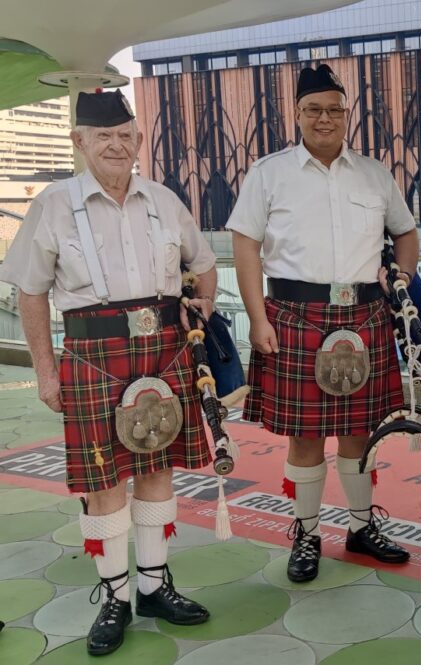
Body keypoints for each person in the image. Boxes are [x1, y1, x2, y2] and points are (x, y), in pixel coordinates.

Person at [0, 90, 215, 655]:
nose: (117, 145)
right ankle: (116, 596)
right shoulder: (53, 204)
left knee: (157, 468)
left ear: (139, 140)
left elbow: (205, 264)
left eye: (126, 135)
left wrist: (201, 313)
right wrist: (47, 371)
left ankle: (153, 584)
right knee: (102, 484)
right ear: (80, 142)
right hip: (94, 357)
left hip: (164, 351)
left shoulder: (164, 201)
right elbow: (30, 291)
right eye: (103, 137)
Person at [228, 64, 418, 583]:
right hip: (293, 314)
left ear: (347, 114)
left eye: (335, 109)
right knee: (304, 436)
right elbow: (244, 245)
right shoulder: (269, 173)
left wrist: (400, 276)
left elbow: (405, 232)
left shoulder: (375, 173)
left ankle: (360, 526)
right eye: (314, 109)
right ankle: (306, 533)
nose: (325, 118)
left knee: (360, 431)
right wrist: (255, 314)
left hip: (364, 313)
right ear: (296, 114)